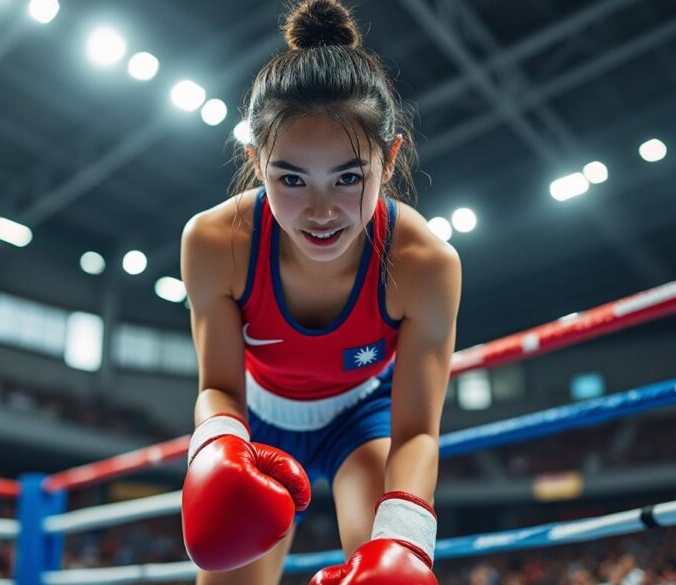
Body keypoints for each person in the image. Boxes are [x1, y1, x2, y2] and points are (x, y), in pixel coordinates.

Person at [179, 1, 462, 583]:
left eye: (349, 177)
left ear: (390, 159)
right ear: (257, 164)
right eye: (291, 178)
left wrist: (406, 543)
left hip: (363, 420)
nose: (322, 211)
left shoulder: (424, 262)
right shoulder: (215, 241)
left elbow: (417, 432)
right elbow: (216, 387)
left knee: (384, 562)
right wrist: (216, 449)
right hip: (252, 419)